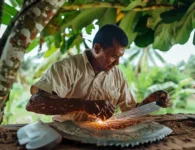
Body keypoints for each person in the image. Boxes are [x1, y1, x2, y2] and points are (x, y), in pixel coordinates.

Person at [26, 24, 170, 122]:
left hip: (101, 137)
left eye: (120, 57)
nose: (117, 63)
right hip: (65, 138)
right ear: (97, 48)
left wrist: (149, 102)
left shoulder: (117, 75)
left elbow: (130, 111)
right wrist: (83, 105)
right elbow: (35, 103)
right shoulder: (67, 67)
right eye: (113, 56)